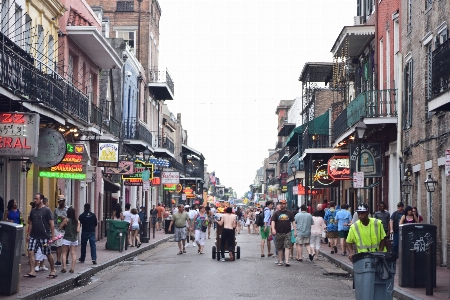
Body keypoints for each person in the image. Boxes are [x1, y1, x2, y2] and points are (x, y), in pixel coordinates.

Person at [24, 193, 57, 279]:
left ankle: (53, 270)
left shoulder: (47, 210)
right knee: (30, 251)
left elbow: (51, 224)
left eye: (37, 199)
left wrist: (53, 236)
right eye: (34, 198)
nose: (35, 200)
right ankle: (32, 271)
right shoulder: (33, 211)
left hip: (44, 236)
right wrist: (28, 235)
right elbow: (30, 223)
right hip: (34, 236)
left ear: (41, 200)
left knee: (48, 253)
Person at [271, 199, 295, 267]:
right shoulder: (276, 213)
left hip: (287, 232)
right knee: (280, 247)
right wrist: (273, 229)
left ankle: (287, 261)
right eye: (281, 203)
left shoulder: (289, 213)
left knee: (287, 246)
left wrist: (295, 231)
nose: (282, 205)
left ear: (286, 204)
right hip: (279, 232)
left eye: (283, 203)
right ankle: (280, 260)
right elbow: (273, 221)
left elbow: (293, 222)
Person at [59, 207, 80, 273]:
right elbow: (78, 230)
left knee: (64, 253)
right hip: (74, 239)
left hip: (67, 239)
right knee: (73, 254)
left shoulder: (66, 220)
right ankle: (72, 268)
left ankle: (64, 267)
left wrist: (65, 228)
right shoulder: (77, 221)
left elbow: (60, 227)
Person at [54, 195, 68, 266]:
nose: (59, 202)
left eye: (60, 201)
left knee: (66, 244)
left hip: (66, 229)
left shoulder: (68, 209)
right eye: (58, 201)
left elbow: (70, 219)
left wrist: (64, 218)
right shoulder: (56, 210)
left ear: (63, 201)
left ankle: (66, 259)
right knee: (58, 244)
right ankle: (58, 260)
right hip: (58, 228)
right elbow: (54, 219)